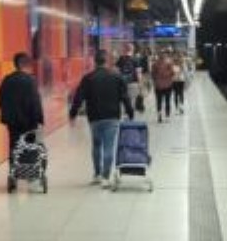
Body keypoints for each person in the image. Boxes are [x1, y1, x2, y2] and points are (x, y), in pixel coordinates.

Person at [70, 51, 135, 185]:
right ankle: (106, 177)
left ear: (95, 62)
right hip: (112, 116)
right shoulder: (117, 77)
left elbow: (78, 97)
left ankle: (97, 174)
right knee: (109, 146)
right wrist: (130, 113)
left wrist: (73, 114)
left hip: (94, 117)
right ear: (107, 61)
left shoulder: (88, 78)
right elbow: (125, 97)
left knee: (96, 145)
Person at [0, 52, 43, 158]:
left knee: (14, 147)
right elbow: (35, 102)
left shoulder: (7, 79)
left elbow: (0, 100)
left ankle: (14, 167)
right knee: (28, 148)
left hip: (12, 122)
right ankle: (26, 167)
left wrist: (8, 114)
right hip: (29, 123)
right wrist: (39, 120)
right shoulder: (30, 80)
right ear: (25, 64)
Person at [115, 44, 142, 115]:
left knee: (124, 102)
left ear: (125, 50)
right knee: (132, 102)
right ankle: (130, 116)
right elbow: (138, 73)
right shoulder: (136, 59)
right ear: (132, 50)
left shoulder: (121, 59)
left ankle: (125, 114)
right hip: (133, 83)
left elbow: (116, 71)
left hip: (122, 83)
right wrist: (140, 85)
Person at [151, 50, 176, 122]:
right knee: (167, 101)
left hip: (159, 85)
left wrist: (156, 80)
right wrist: (167, 75)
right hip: (167, 85)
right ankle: (166, 116)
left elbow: (153, 74)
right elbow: (172, 73)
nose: (163, 55)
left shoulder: (155, 63)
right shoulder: (169, 63)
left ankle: (160, 115)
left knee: (159, 101)